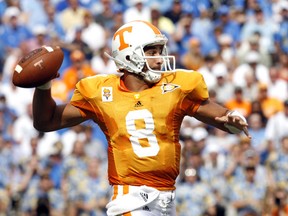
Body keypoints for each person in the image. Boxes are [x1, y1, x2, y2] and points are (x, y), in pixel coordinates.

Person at [32, 20, 250, 216]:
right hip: (131, 198)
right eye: (151, 52)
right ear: (129, 55)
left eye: (160, 51)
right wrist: (43, 85)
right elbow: (46, 121)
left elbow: (215, 115)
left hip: (166, 198)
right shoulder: (101, 92)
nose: (159, 59)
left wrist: (231, 118)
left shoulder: (173, 87)